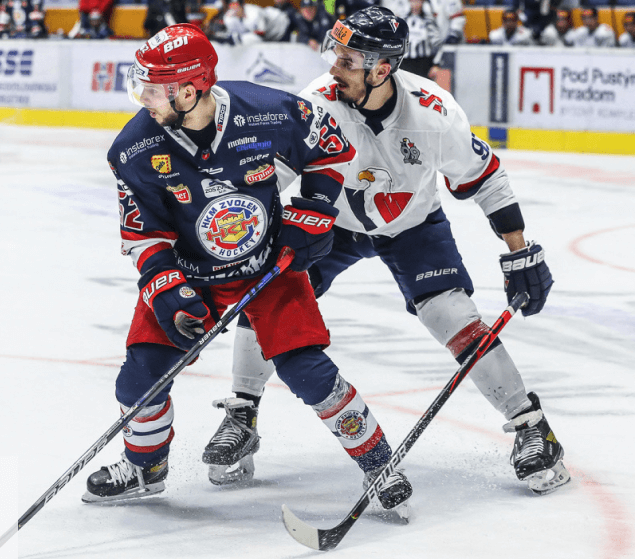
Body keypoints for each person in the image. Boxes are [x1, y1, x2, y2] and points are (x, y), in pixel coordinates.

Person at [202, 7, 571, 498]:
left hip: (412, 225)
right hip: (332, 224)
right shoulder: (316, 103)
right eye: (335, 55)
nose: (335, 67)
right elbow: (274, 176)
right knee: (266, 294)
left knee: (452, 317)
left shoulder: (432, 112)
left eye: (348, 60)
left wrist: (519, 251)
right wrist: (242, 230)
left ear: (381, 69)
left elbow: (485, 177)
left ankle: (530, 425)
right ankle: (242, 414)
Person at [81, 23, 413, 515]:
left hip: (268, 267)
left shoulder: (265, 111)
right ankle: (145, 468)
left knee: (310, 374)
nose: (142, 99)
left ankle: (381, 463)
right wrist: (168, 291)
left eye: (153, 89)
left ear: (189, 90)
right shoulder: (133, 149)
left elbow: (332, 149)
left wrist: (313, 213)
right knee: (139, 379)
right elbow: (144, 234)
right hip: (191, 275)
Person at [222, 0, 292, 44]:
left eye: (236, 6)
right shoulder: (228, 18)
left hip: (281, 27)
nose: (234, 9)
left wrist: (243, 37)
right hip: (269, 35)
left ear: (242, 5)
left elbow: (262, 33)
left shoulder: (254, 13)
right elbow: (234, 36)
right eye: (231, 6)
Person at [401, 0, 440, 78]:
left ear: (422, 2)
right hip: (405, 62)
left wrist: (436, 64)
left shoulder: (429, 21)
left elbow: (437, 43)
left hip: (423, 62)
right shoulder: (403, 20)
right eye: (413, 1)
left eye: (418, 1)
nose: (415, 4)